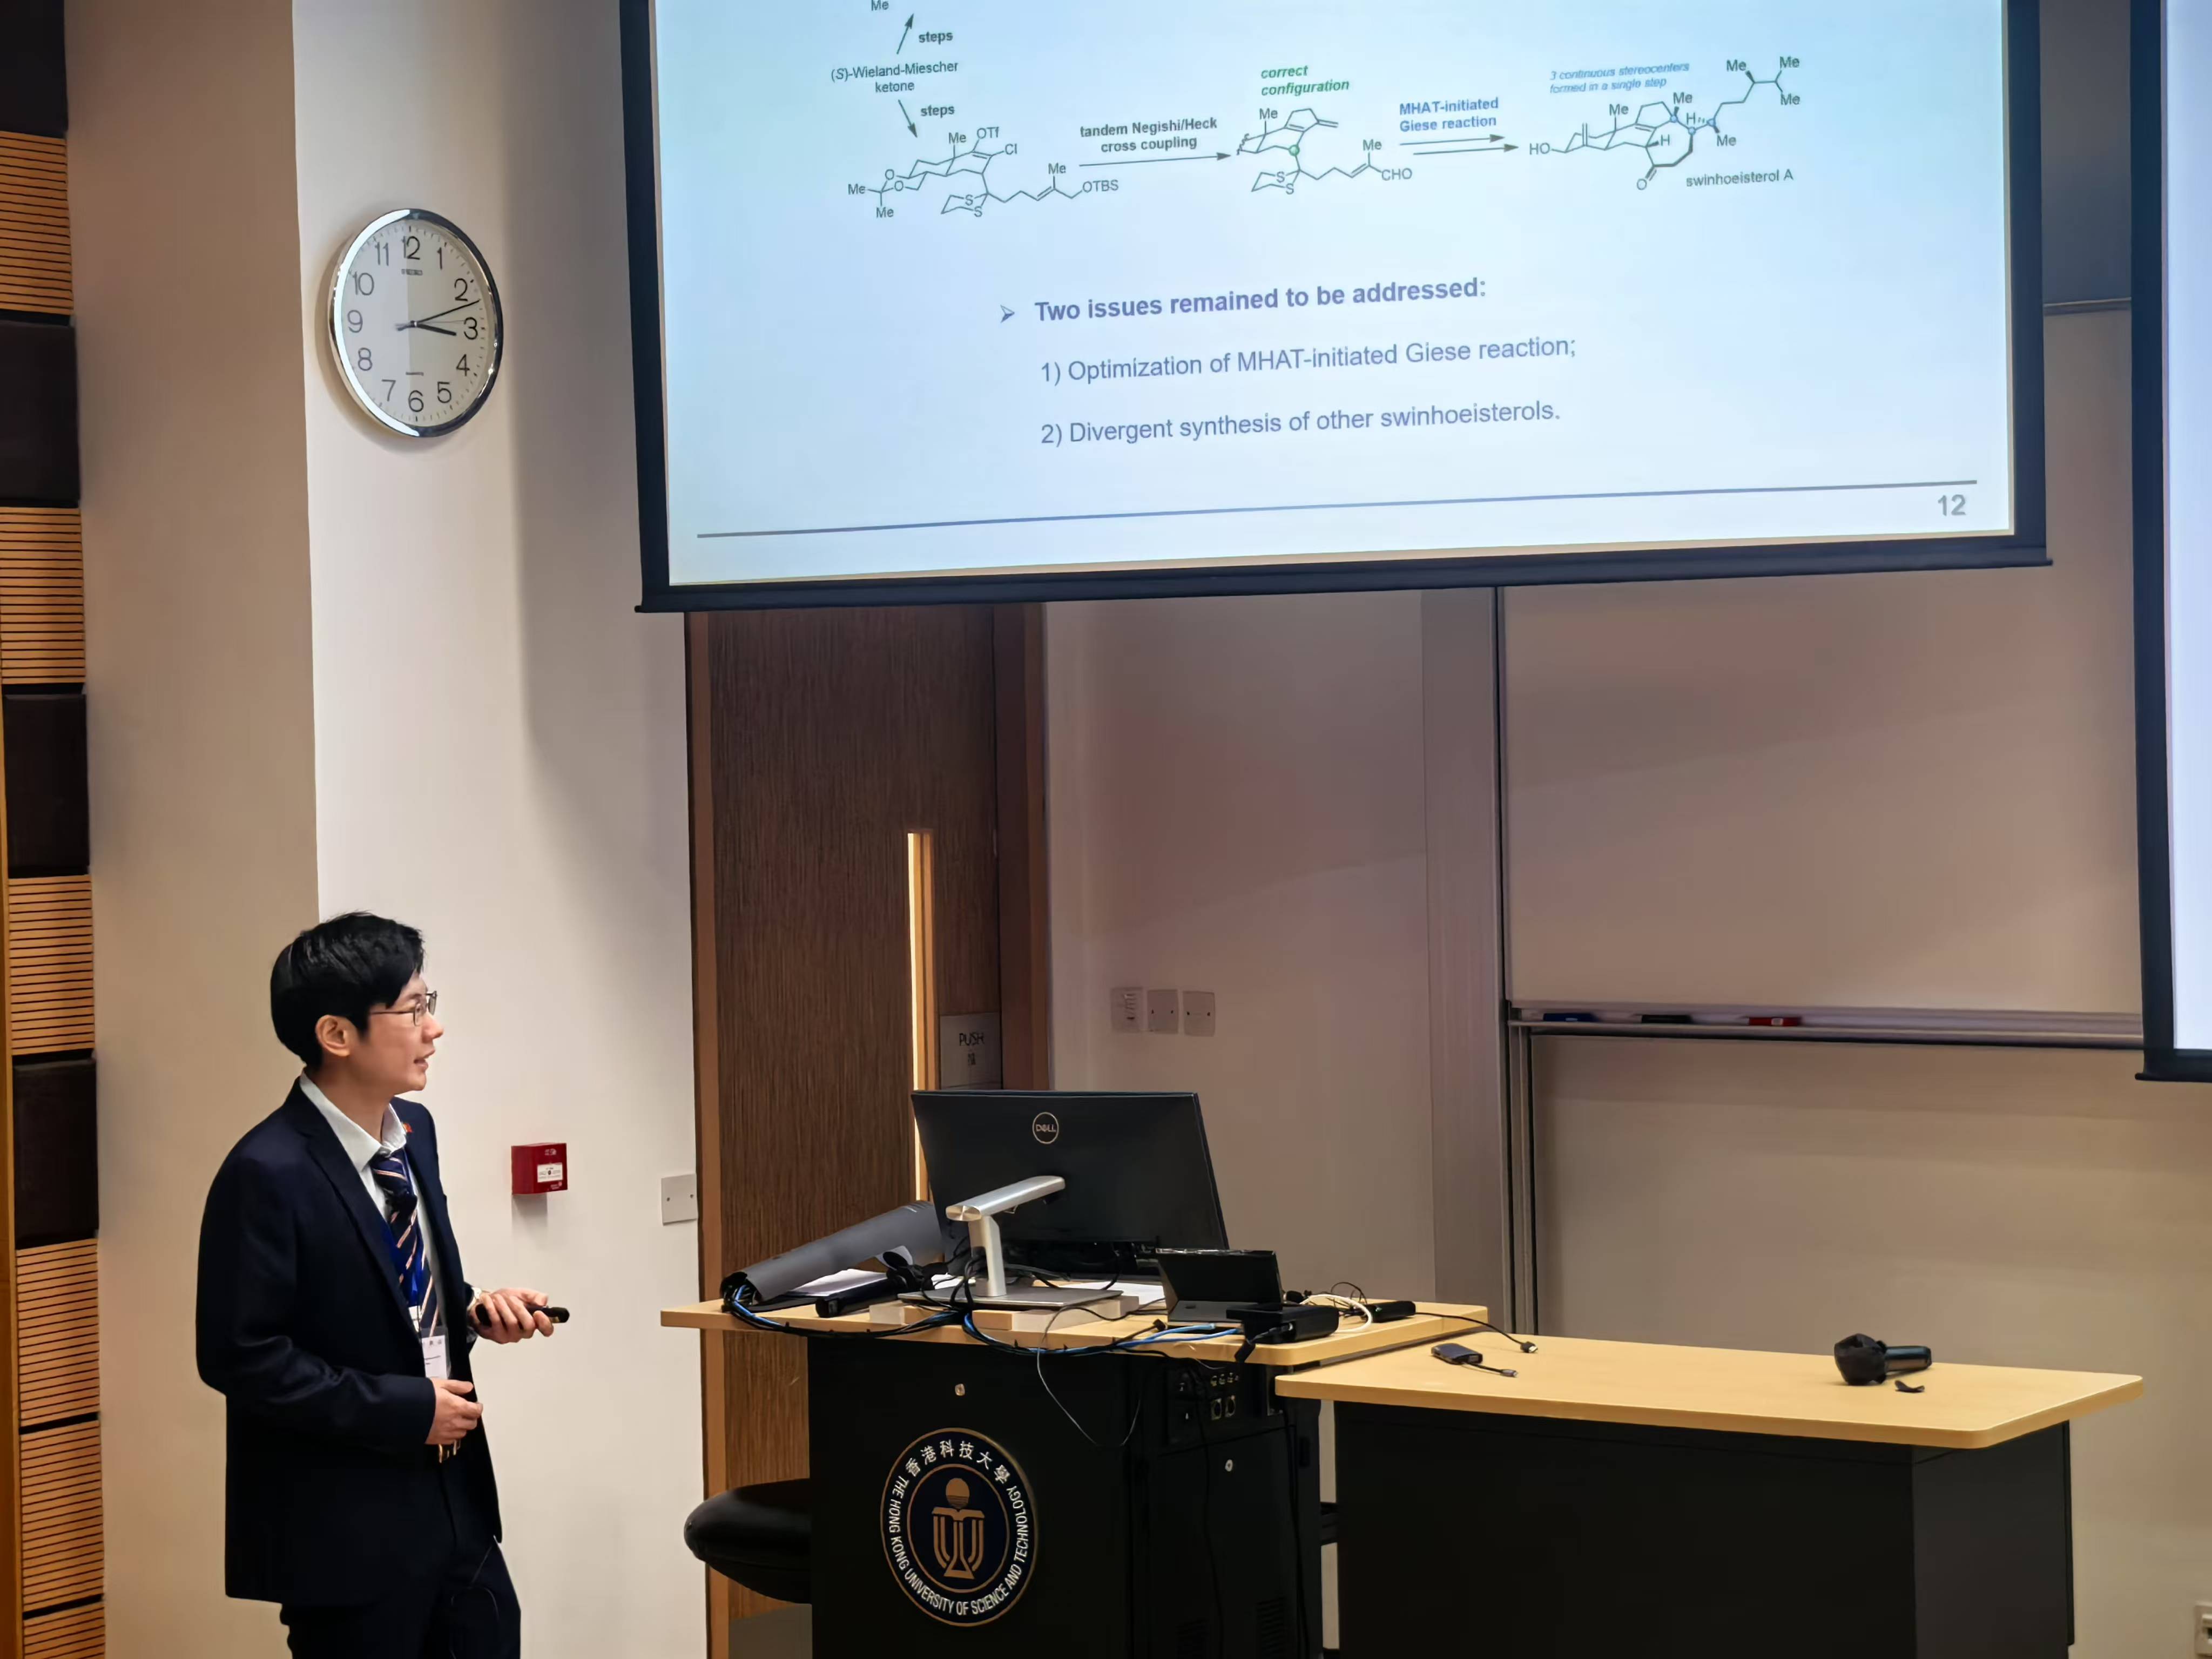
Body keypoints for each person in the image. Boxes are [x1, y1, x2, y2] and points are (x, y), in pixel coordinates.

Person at [196, 913, 556, 1657]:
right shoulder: (266, 1171)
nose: (434, 1028)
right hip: (345, 1530)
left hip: (456, 1502)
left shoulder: (414, 1132)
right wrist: (405, 1408)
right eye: (414, 1009)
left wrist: (472, 1308)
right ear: (337, 1034)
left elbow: (394, 1280)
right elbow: (240, 1356)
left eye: (430, 1004)